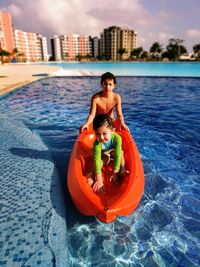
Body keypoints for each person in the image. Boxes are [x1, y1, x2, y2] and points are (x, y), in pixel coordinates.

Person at [90, 114, 129, 192]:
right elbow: (97, 159)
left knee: (121, 152)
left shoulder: (117, 138)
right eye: (98, 134)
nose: (101, 137)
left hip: (113, 152)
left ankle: (122, 170)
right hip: (103, 154)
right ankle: (92, 173)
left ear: (112, 131)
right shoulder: (97, 143)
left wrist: (115, 172)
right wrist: (99, 179)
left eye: (104, 133)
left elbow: (117, 154)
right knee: (105, 159)